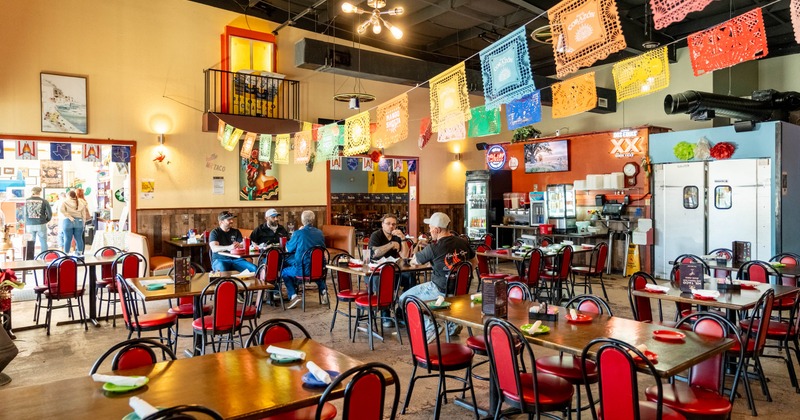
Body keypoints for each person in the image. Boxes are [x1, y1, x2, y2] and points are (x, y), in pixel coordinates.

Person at [400, 212, 477, 342]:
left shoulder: (433, 248)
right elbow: (474, 263)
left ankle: (430, 326)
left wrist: (418, 246)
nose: (429, 231)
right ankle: (453, 325)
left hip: (440, 289)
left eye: (430, 228)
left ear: (437, 229)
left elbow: (414, 261)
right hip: (460, 291)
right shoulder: (462, 242)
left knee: (404, 299)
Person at [368, 214, 413, 326]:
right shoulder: (376, 235)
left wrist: (402, 239)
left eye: (393, 224)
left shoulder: (397, 235)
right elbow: (375, 254)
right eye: (388, 224)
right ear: (382, 224)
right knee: (383, 279)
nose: (391, 226)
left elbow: (405, 255)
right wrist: (392, 244)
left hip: (395, 270)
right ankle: (385, 314)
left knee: (411, 278)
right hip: (376, 272)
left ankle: (400, 311)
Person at [281, 210, 328, 309]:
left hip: (302, 270)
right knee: (314, 270)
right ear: (313, 220)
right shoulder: (320, 233)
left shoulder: (298, 233)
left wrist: (296, 233)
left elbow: (288, 249)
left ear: (302, 220)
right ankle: (324, 291)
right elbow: (322, 249)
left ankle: (293, 296)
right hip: (318, 269)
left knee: (284, 271)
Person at [59, 190, 88, 254]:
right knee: (79, 239)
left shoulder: (65, 202)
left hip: (67, 221)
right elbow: (84, 214)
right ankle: (80, 254)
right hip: (79, 221)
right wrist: (83, 222)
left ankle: (66, 254)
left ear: (68, 195)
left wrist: (69, 216)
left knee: (67, 239)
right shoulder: (81, 202)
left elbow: (62, 210)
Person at [25, 186, 52, 252]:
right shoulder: (44, 201)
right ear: (40, 192)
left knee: (30, 242)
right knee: (43, 242)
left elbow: (23, 212)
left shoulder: (26, 201)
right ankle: (43, 256)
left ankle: (30, 257)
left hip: (29, 224)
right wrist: (46, 220)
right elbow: (49, 213)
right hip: (41, 223)